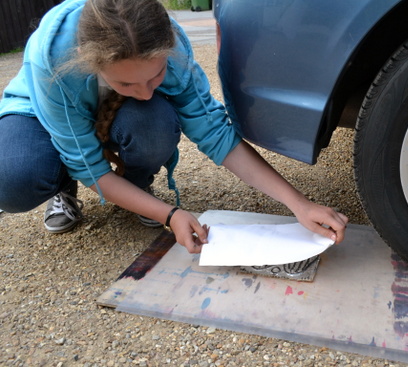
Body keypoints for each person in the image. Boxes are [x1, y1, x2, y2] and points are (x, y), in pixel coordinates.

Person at [0, 0, 348, 254]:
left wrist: (299, 204)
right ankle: (63, 188)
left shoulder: (172, 45)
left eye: (156, 76)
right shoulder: (53, 56)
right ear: (90, 62)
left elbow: (215, 133)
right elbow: (87, 166)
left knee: (154, 119)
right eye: (126, 84)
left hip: (124, 116)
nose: (146, 91)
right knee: (13, 179)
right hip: (40, 113)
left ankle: (135, 189)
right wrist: (171, 215)